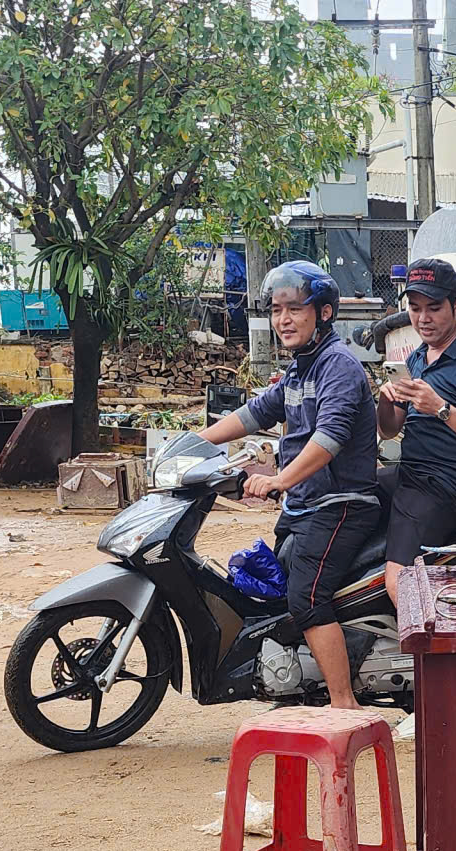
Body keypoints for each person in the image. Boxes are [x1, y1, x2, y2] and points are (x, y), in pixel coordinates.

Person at [193, 262, 380, 711]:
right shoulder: (301, 370)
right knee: (272, 591)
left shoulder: (338, 366)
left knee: (306, 598)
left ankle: (343, 703)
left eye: (295, 309)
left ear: (324, 313)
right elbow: (253, 414)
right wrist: (189, 445)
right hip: (305, 505)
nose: (284, 320)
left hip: (340, 504)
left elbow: (329, 439)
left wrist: (279, 479)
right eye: (277, 310)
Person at [375, 257, 456, 605]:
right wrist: (385, 401)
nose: (423, 318)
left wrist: (441, 409)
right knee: (347, 491)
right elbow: (389, 430)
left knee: (398, 582)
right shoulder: (416, 359)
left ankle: (423, 638)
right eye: (415, 308)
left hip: (444, 488)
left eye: (434, 308)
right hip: (408, 474)